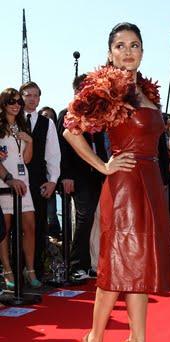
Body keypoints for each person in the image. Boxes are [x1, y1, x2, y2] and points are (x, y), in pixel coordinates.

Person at [63, 22, 170, 342]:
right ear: (110, 52)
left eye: (134, 45)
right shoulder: (106, 88)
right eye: (120, 46)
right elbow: (71, 129)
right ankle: (94, 341)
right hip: (124, 184)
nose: (128, 51)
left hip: (150, 182)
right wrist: (103, 165)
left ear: (142, 51)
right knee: (116, 270)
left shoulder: (146, 92)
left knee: (141, 269)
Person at [57, 75, 108, 282]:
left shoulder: (98, 114)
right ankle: (77, 265)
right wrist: (66, 175)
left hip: (98, 173)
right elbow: (63, 149)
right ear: (78, 90)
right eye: (88, 87)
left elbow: (101, 147)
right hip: (78, 176)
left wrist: (106, 170)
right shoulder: (67, 114)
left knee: (98, 219)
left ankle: (95, 264)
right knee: (84, 217)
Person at [19, 82, 61, 279]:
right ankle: (13, 273)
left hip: (38, 181)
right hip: (11, 180)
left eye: (36, 95)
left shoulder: (47, 123)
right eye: (28, 95)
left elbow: (53, 155)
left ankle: (35, 270)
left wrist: (53, 181)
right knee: (11, 228)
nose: (32, 99)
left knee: (37, 226)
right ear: (21, 97)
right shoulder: (11, 120)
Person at [0, 88, 41, 289]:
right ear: (3, 104)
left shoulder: (22, 125)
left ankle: (30, 269)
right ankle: (7, 270)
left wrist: (30, 141)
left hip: (23, 182)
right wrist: (8, 179)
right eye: (11, 101)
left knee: (30, 226)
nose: (16, 104)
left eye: (18, 102)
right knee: (4, 229)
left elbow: (26, 159)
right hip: (4, 184)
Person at [38, 106, 61, 239]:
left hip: (51, 180)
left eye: (51, 117)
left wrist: (53, 179)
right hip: (34, 178)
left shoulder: (55, 136)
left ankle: (55, 237)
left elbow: (55, 158)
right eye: (45, 116)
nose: (48, 119)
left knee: (52, 213)